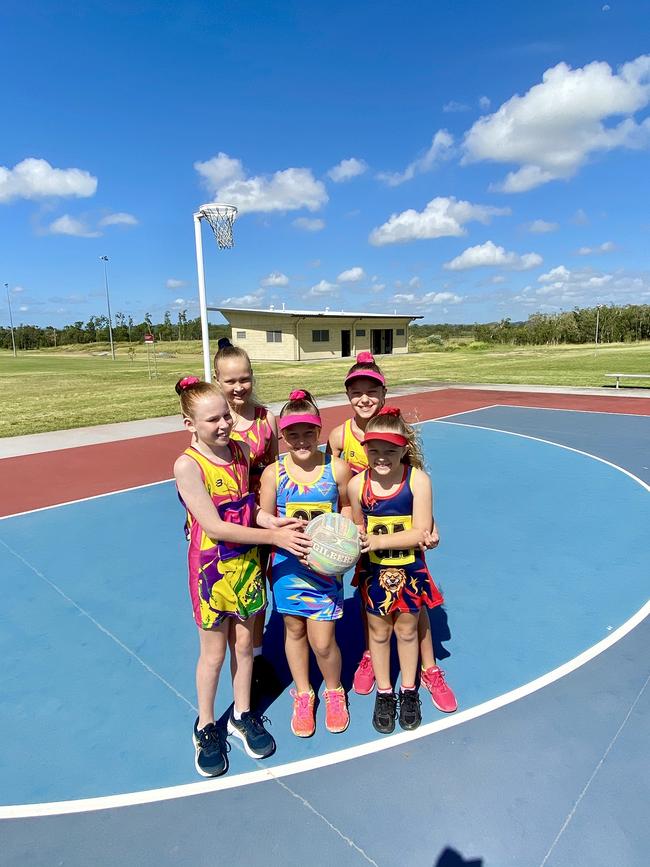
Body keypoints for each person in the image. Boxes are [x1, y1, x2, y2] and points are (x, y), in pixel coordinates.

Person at [173, 376, 311, 776]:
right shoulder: (188, 465)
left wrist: (273, 519)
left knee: (247, 644)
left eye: (225, 417)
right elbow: (216, 527)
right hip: (212, 569)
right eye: (211, 419)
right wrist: (274, 537)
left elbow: (246, 508)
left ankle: (242, 714)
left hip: (247, 563)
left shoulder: (238, 451)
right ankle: (205, 725)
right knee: (214, 653)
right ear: (189, 424)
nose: (222, 425)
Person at [329, 353, 456, 714]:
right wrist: (341, 537)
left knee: (415, 613)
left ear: (383, 393)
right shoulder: (339, 436)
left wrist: (430, 525)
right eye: (356, 392)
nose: (364, 398)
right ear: (348, 394)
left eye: (372, 391)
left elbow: (417, 487)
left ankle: (426, 670)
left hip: (402, 535)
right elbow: (338, 490)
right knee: (375, 613)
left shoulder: (397, 434)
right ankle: (373, 659)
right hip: (368, 529)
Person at [349, 407, 450, 733]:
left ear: (404, 448)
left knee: (407, 631)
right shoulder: (356, 485)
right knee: (378, 633)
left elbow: (420, 531)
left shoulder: (417, 480)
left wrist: (377, 542)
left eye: (390, 451)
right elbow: (356, 528)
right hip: (373, 574)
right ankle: (385, 692)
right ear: (364, 448)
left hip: (409, 570)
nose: (381, 457)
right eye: (374, 450)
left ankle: (409, 690)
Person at [260, 389, 352, 737]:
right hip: (288, 567)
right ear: (282, 435)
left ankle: (333, 690)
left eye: (308, 432)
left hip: (324, 570)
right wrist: (280, 534)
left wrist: (345, 534)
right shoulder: (274, 473)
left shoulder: (336, 469)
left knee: (324, 640)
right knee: (294, 630)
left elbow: (345, 507)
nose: (301, 440)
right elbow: (265, 519)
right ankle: (303, 692)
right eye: (292, 433)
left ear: (319, 431)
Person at [214, 337, 280, 704]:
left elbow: (273, 468)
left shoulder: (266, 418)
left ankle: (255, 658)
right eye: (230, 380)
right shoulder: (215, 422)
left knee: (259, 596)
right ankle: (238, 662)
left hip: (261, 519)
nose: (238, 387)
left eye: (245, 379)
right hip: (227, 524)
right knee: (232, 596)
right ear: (218, 380)